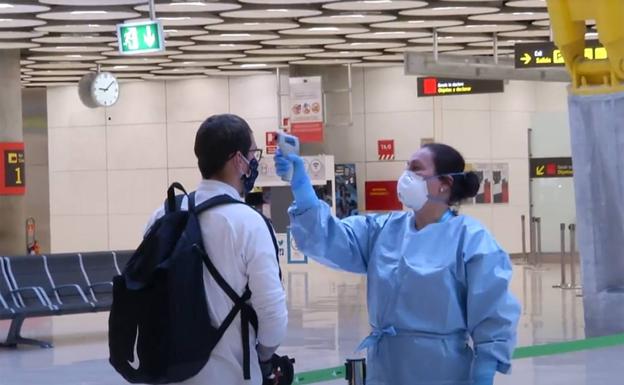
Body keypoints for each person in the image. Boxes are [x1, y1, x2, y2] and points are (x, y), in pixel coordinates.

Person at [275, 143, 520, 385]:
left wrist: (485, 368)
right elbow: (327, 238)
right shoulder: (383, 230)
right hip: (385, 368)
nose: (406, 176)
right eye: (406, 168)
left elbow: (492, 309)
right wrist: (302, 188)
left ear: (445, 183)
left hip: (443, 371)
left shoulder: (471, 240)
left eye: (416, 169)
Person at [145, 114, 288, 385]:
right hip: (229, 376)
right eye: (252, 153)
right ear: (238, 160)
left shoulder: (162, 215)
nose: (254, 161)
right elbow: (272, 315)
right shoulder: (250, 224)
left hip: (167, 371)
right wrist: (264, 356)